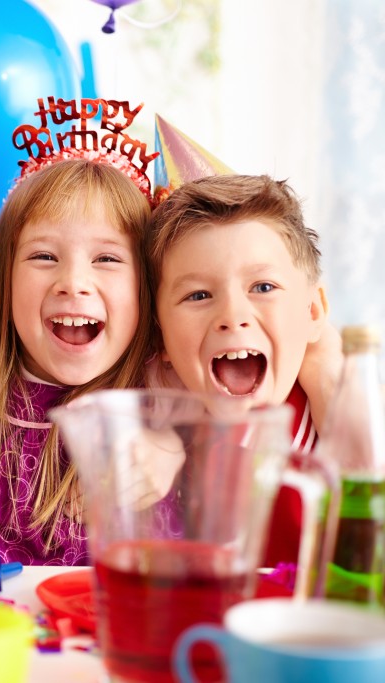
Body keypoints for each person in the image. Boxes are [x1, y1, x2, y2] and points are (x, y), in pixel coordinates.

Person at [0, 98, 162, 566]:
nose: (74, 283)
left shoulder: (165, 387)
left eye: (107, 259)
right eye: (44, 256)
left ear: (147, 283)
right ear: (4, 278)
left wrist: (171, 446)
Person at [145, 172, 338, 565]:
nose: (232, 317)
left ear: (313, 311)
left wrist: (336, 388)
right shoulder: (155, 428)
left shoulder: (343, 422)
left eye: (263, 287)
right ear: (158, 338)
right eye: (198, 295)